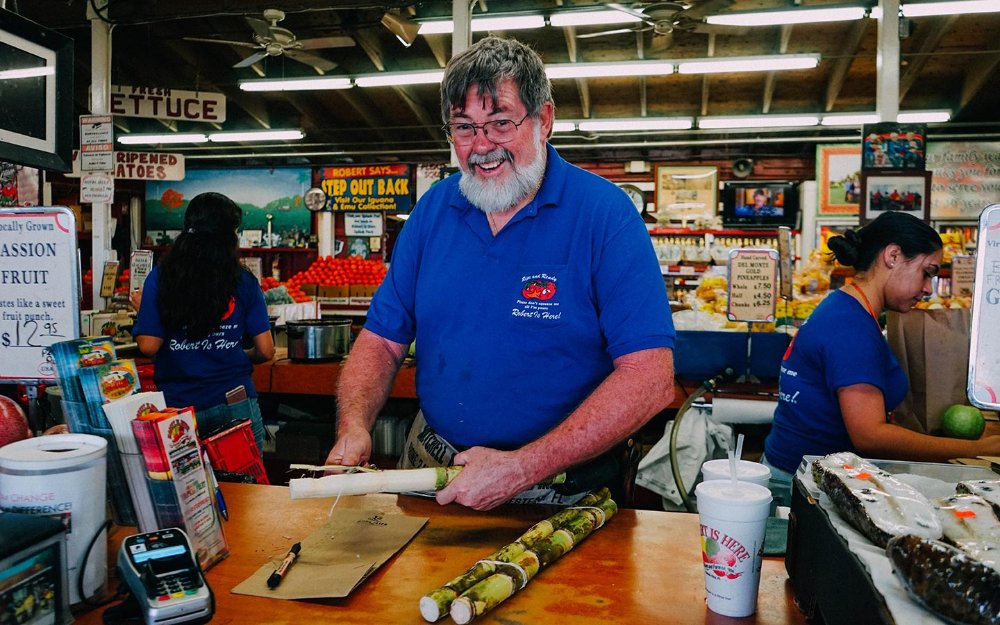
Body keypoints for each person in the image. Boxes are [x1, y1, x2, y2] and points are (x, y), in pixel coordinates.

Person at [323, 36, 676, 510]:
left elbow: (650, 378)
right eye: (464, 128)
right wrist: (355, 425)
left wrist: (522, 467)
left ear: (544, 119)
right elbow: (383, 341)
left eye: (500, 124)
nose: (482, 146)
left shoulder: (604, 215)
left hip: (563, 491)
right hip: (433, 469)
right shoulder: (433, 211)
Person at [761, 211, 1000, 506]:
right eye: (927, 272)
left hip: (798, 473)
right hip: (802, 487)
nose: (928, 289)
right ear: (893, 256)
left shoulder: (845, 307)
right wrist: (976, 447)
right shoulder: (852, 327)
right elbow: (870, 435)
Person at [131, 192, 274, 455]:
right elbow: (266, 350)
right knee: (246, 491)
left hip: (179, 409)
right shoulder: (243, 281)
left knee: (190, 493)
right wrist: (237, 352)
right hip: (234, 401)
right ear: (229, 235)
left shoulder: (161, 278)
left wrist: (147, 313)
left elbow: (149, 346)